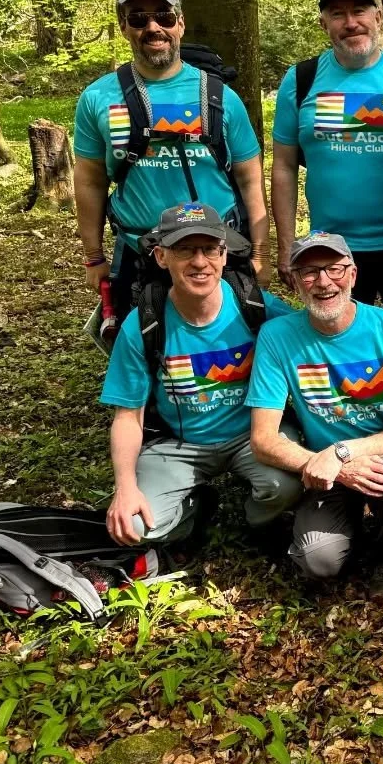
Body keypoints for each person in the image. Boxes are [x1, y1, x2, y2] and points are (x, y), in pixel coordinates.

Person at [271, 0, 383, 378]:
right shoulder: (301, 81)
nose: (351, 22)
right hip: (331, 249)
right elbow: (283, 166)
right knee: (339, 349)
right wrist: (285, 244)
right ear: (324, 23)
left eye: (359, 11)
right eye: (338, 13)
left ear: (378, 17)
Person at [74, 0, 270, 324]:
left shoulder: (220, 96)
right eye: (138, 18)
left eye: (163, 16)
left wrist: (260, 253)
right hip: (138, 254)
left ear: (180, 23)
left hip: (216, 254)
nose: (153, 27)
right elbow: (90, 180)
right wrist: (93, 255)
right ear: (124, 26)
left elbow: (250, 178)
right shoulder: (98, 97)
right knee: (142, 346)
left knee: (228, 348)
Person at [100, 203, 300, 547]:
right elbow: (128, 416)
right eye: (185, 250)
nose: (199, 262)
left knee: (286, 486)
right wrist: (125, 488)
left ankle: (255, 521)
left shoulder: (255, 306)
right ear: (162, 257)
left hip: (253, 435)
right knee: (133, 527)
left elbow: (311, 344)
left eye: (209, 249)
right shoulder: (144, 322)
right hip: (180, 443)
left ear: (224, 255)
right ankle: (196, 508)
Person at [246, 231, 383, 594]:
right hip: (321, 465)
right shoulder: (277, 336)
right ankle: (347, 529)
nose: (324, 281)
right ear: (295, 280)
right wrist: (329, 464)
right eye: (310, 272)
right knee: (318, 560)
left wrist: (341, 453)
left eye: (334, 268)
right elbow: (263, 439)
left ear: (353, 274)